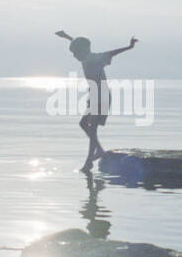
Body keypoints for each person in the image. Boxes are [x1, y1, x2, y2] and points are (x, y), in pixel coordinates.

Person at [55, 30, 138, 172]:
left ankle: (89, 163)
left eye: (75, 53)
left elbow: (111, 53)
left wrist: (128, 47)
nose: (74, 56)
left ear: (83, 51)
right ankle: (99, 150)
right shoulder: (86, 57)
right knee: (83, 124)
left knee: (92, 128)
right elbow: (79, 43)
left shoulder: (93, 59)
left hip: (101, 97)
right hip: (94, 96)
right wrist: (67, 37)